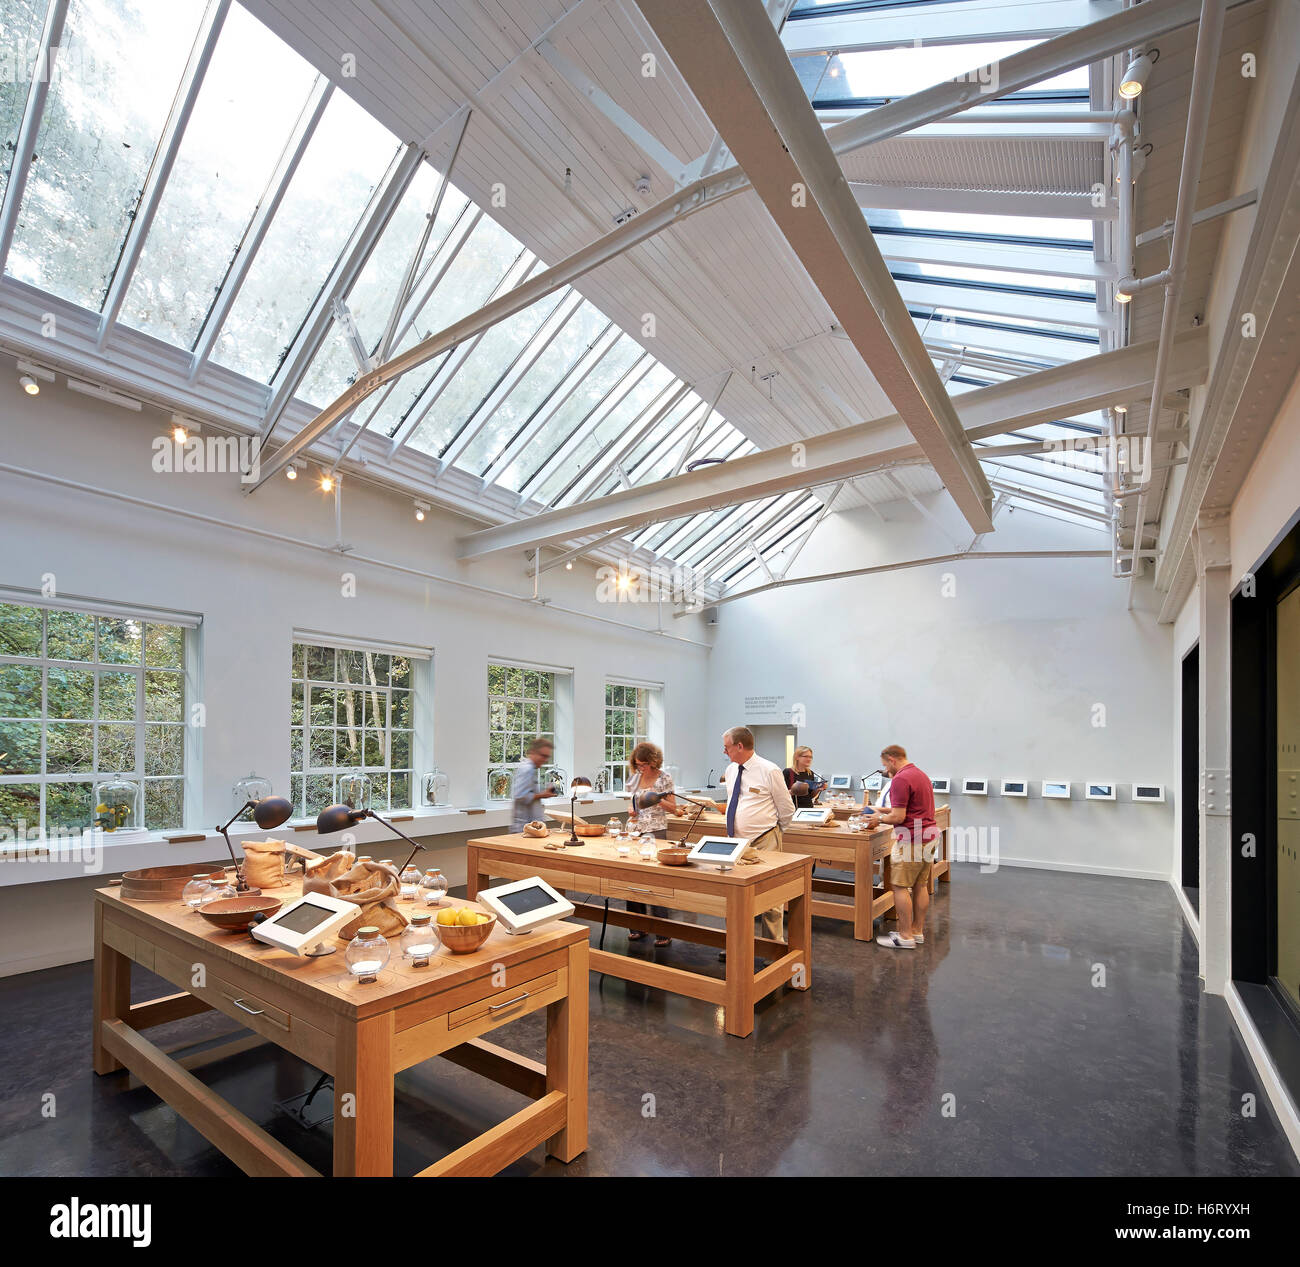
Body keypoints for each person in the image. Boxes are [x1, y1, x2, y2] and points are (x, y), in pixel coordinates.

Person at [719, 726, 795, 948]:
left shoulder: (769, 770)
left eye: (727, 747)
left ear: (739, 746)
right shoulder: (732, 770)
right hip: (736, 842)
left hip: (765, 839)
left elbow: (786, 807)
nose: (725, 752)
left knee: (771, 896)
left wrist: (775, 831)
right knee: (734, 895)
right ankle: (735, 945)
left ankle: (773, 947)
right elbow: (737, 801)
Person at [867, 744, 938, 949]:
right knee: (920, 885)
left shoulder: (900, 778)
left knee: (899, 887)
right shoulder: (920, 774)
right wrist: (880, 809)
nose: (886, 772)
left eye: (885, 766)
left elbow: (899, 816)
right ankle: (916, 931)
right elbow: (909, 808)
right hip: (928, 836)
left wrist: (877, 818)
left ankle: (904, 936)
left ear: (892, 759)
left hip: (910, 839)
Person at [624, 742, 681, 947]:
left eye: (644, 765)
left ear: (654, 762)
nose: (641, 769)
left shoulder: (664, 778)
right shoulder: (635, 777)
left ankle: (662, 930)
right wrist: (631, 809)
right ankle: (636, 927)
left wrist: (656, 800)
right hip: (636, 830)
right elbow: (631, 801)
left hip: (656, 830)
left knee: (656, 882)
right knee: (632, 878)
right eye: (638, 765)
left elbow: (673, 808)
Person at [511, 736, 559, 833]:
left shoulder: (530, 769)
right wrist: (543, 795)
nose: (545, 760)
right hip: (525, 828)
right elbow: (520, 795)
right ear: (533, 752)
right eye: (543, 756)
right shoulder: (527, 769)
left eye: (547, 757)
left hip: (532, 827)